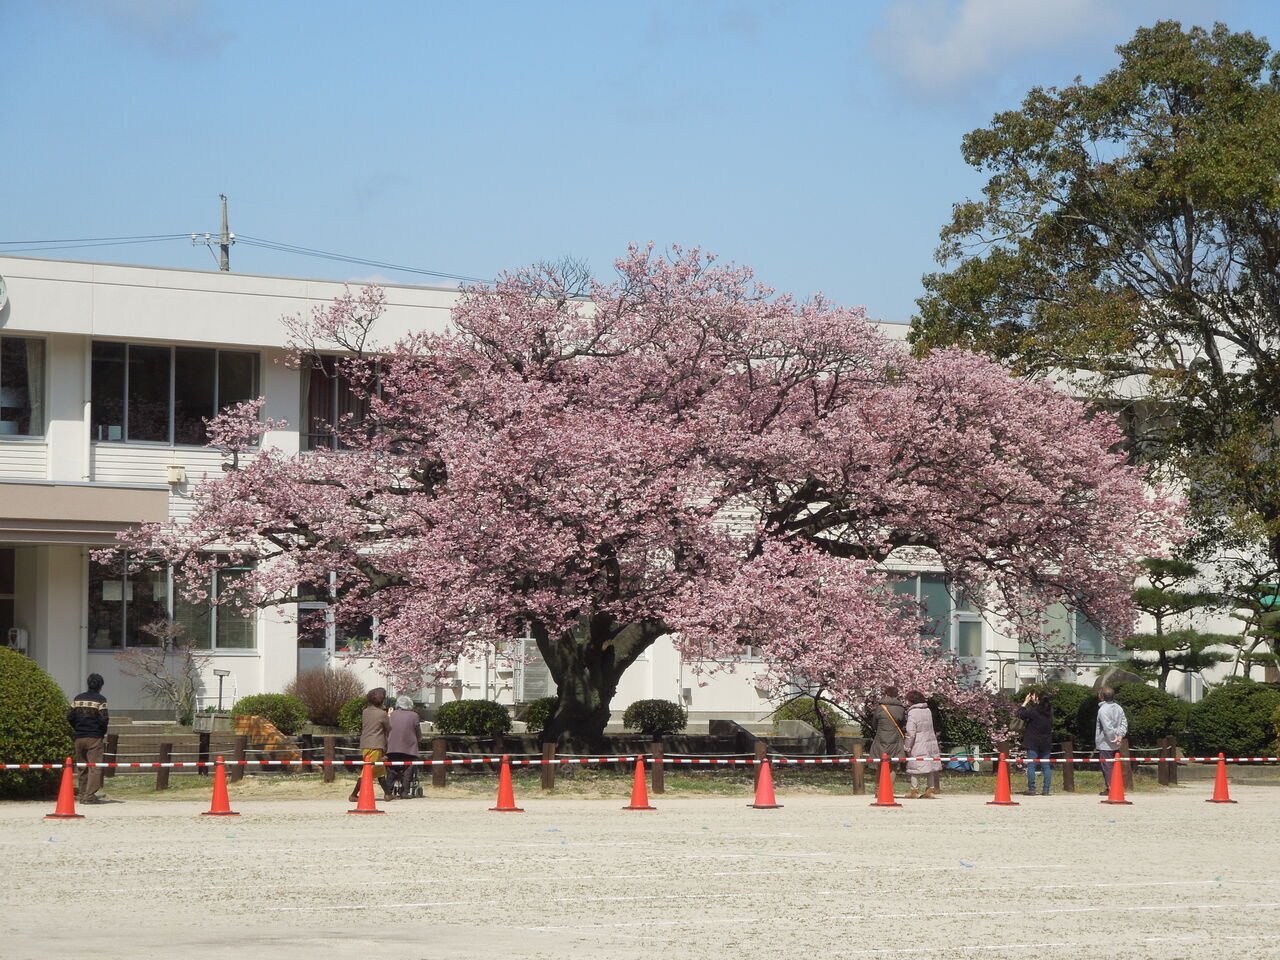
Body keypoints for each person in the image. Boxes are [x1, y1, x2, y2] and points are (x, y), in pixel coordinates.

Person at [67, 673, 110, 804]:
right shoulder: (101, 700)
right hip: (94, 737)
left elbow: (70, 716)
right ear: (101, 686)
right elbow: (104, 719)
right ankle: (89, 795)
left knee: (82, 767)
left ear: (88, 684)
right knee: (94, 767)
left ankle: (82, 794)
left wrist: (77, 728)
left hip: (79, 737)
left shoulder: (78, 698)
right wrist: (101, 733)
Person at [348, 687, 391, 803]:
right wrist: (388, 715)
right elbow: (389, 728)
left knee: (380, 770)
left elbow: (374, 719)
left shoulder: (365, 711)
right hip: (376, 745)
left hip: (365, 744)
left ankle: (388, 794)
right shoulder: (382, 714)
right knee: (368, 770)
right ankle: (353, 794)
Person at [903, 689, 941, 799]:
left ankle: (914, 790)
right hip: (930, 741)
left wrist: (907, 746)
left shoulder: (912, 712)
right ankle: (930, 789)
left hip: (918, 742)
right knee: (930, 765)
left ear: (911, 700)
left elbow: (911, 732)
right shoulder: (927, 710)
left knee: (914, 766)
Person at [867, 685, 906, 790]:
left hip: (881, 738)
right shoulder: (900, 709)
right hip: (895, 739)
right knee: (893, 766)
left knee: (880, 765)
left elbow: (874, 724)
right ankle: (889, 790)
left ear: (886, 694)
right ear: (897, 695)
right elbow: (902, 724)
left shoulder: (880, 707)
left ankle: (878, 790)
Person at [1017, 690, 1054, 796]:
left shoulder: (1034, 710)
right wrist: (1035, 702)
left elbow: (1020, 714)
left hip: (1033, 742)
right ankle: (1046, 790)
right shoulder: (1050, 711)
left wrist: (1025, 702)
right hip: (1046, 742)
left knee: (1031, 765)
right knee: (1046, 766)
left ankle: (1032, 789)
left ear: (1038, 699)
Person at [385, 695, 422, 799]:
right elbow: (417, 731)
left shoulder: (391, 714)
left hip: (392, 746)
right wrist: (419, 738)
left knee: (392, 769)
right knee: (408, 768)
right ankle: (405, 791)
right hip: (409, 747)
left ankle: (388, 791)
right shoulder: (414, 715)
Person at [1095, 686, 1128, 795]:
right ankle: (1113, 787)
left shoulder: (1103, 710)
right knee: (1115, 766)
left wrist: (1114, 739)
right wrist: (1120, 736)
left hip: (1105, 743)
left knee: (1107, 767)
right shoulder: (1118, 707)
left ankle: (1111, 788)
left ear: (1102, 697)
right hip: (1117, 741)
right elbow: (1124, 722)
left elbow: (1107, 727)